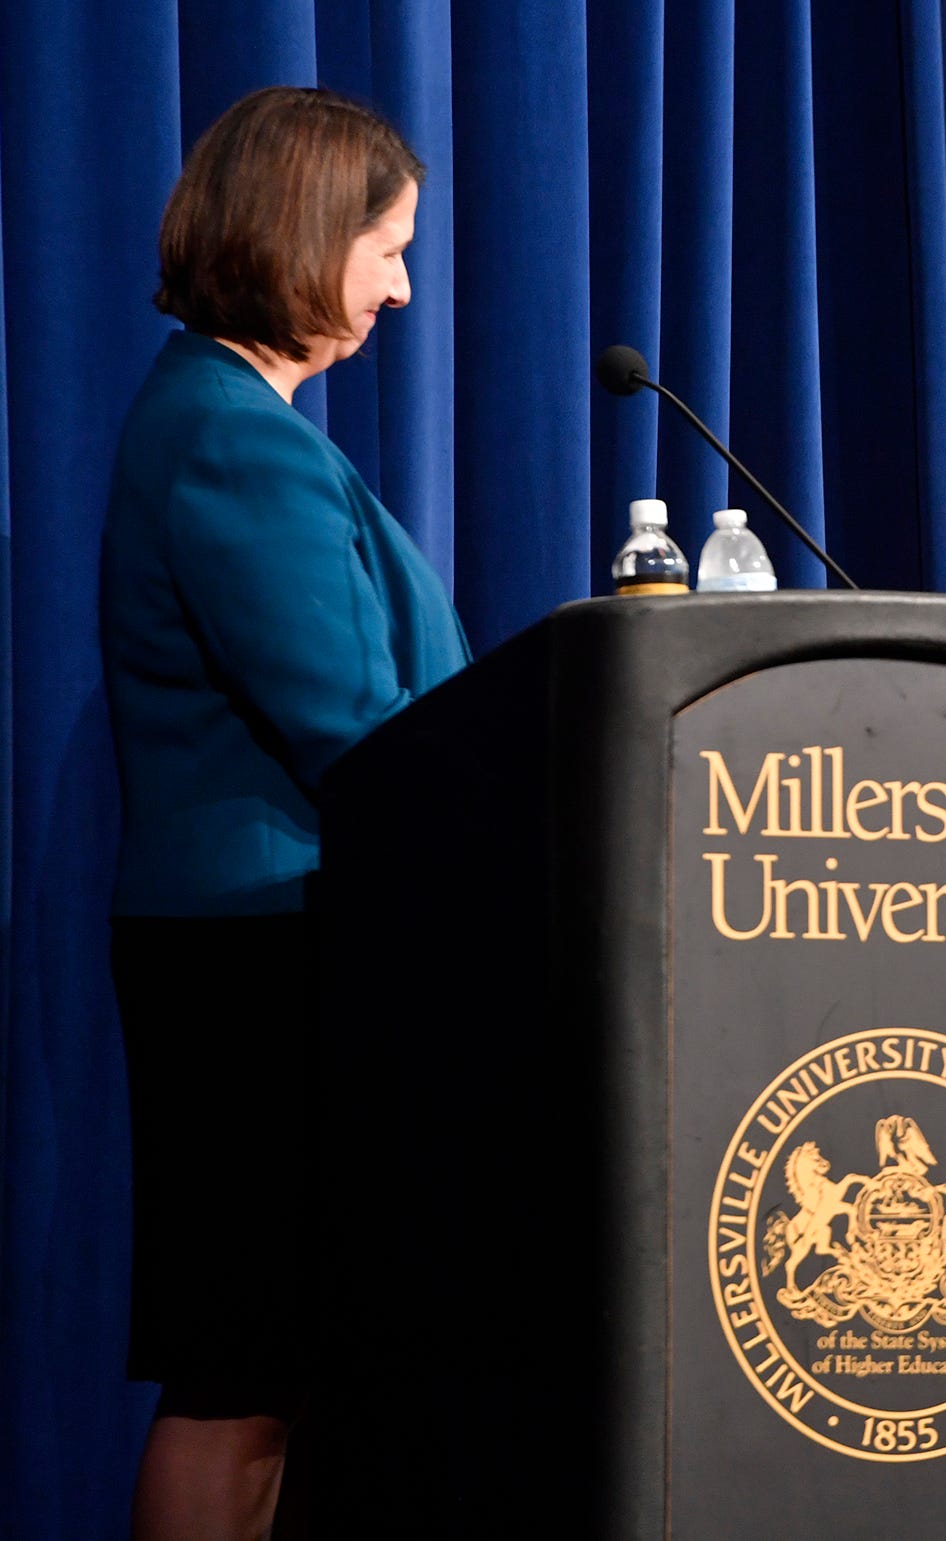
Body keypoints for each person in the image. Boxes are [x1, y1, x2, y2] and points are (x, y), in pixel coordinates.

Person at [99, 86, 469, 1541]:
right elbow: (355, 731)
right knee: (244, 1369)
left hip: (278, 945)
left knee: (282, 1368)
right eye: (387, 248)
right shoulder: (230, 439)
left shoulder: (235, 421)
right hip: (253, 957)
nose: (403, 288)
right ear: (307, 237)